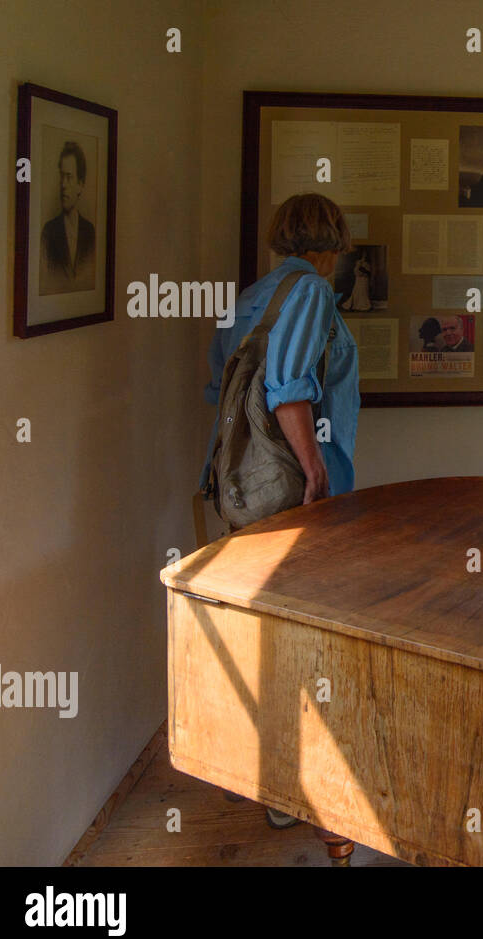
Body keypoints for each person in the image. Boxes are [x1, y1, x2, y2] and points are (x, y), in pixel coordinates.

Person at [198, 193, 361, 828]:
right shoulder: (313, 291)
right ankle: (292, 788)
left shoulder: (251, 296)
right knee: (303, 632)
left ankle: (263, 769)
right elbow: (289, 386)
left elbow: (219, 388)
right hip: (294, 486)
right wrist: (314, 467)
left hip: (242, 486)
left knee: (267, 628)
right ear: (332, 240)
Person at [39, 141, 96, 295]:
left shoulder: (90, 232)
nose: (63, 185)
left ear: (80, 184)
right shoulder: (48, 232)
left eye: (69, 177)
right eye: (62, 177)